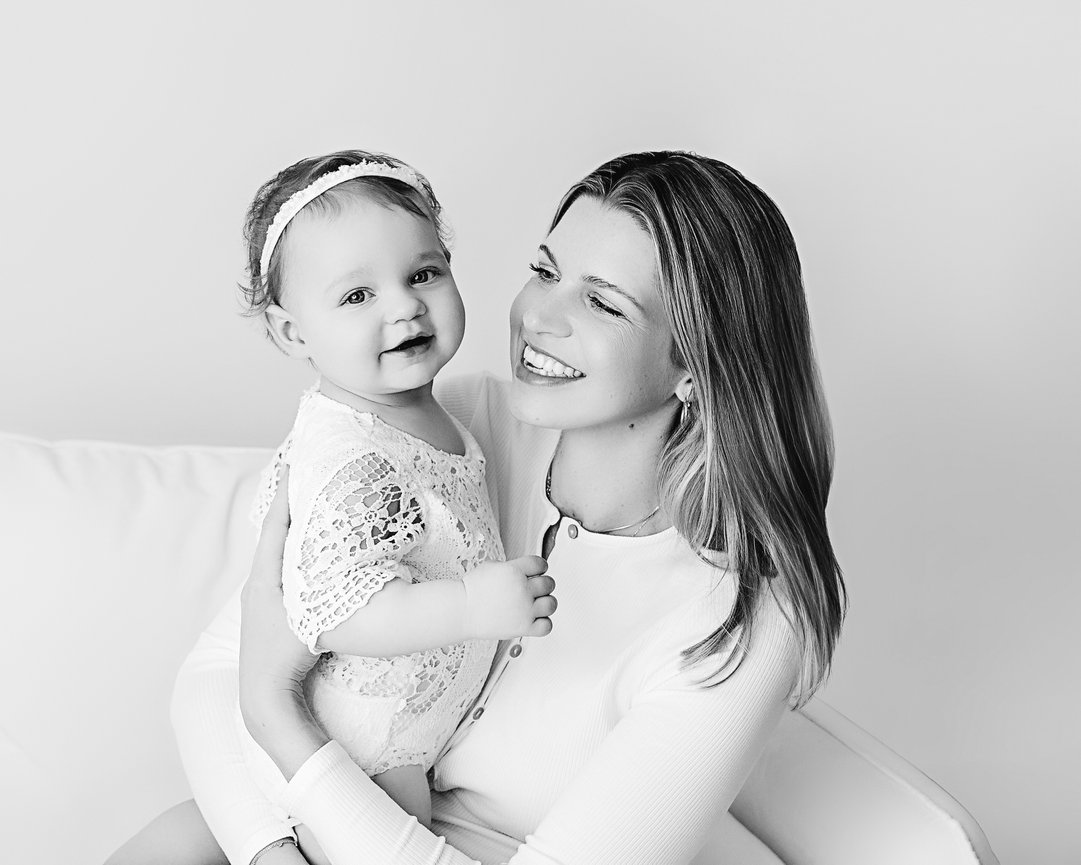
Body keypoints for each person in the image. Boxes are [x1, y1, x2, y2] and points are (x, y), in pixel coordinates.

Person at [113, 150, 845, 865]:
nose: (537, 317)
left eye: (599, 300)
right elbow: (216, 672)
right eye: (545, 272)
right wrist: (263, 845)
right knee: (172, 843)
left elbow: (258, 689)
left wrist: (278, 717)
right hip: (313, 820)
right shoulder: (449, 432)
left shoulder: (740, 618)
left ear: (695, 363)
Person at [107, 150, 557, 864]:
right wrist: (471, 604)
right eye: (356, 296)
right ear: (292, 333)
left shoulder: (431, 415)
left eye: (423, 273)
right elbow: (337, 609)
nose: (403, 305)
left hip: (386, 736)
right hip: (355, 747)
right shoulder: (351, 455)